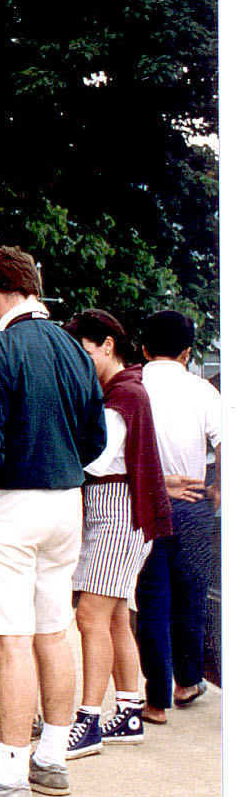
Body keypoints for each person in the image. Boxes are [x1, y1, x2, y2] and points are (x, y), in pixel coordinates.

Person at [0, 246, 105, 797]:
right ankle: (52, 757)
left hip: (9, 505)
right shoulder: (71, 346)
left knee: (9, 640)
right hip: (66, 500)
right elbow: (96, 440)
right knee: (52, 630)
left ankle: (9, 772)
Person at [59, 309, 171, 756]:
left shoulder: (122, 394)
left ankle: (87, 721)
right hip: (123, 508)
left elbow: (95, 459)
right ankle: (127, 710)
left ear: (107, 344)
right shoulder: (124, 389)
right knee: (116, 614)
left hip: (118, 509)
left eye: (86, 352)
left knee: (90, 615)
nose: (82, 363)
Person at [133, 309, 221, 725]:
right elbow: (227, 446)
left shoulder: (131, 385)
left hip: (145, 503)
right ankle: (187, 680)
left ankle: (155, 702)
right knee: (191, 596)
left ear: (143, 347)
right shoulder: (203, 390)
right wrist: (218, 488)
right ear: (187, 352)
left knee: (152, 598)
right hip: (195, 505)